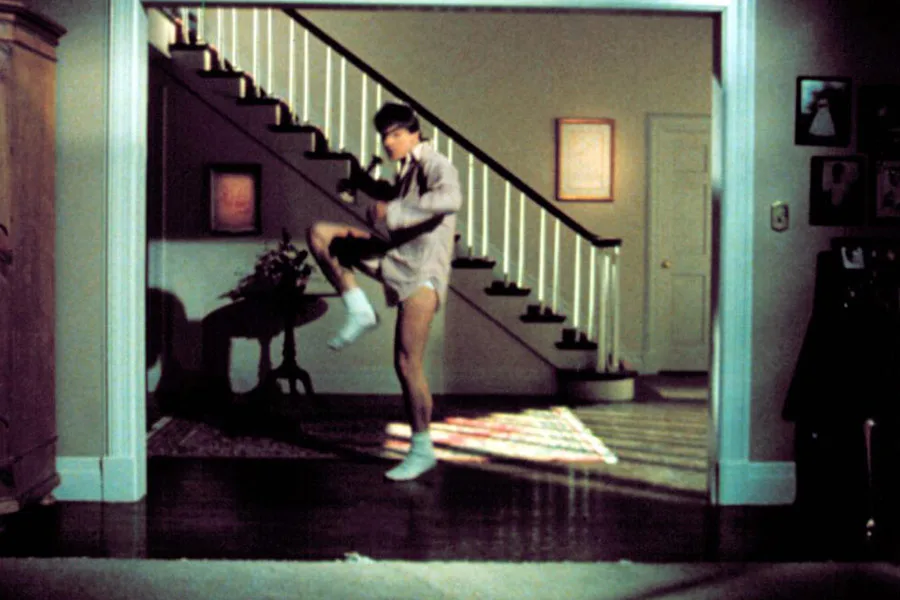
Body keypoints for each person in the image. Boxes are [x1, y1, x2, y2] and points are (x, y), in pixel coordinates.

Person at [306, 102, 462, 481]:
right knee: (321, 235)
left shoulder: (436, 163)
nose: (389, 142)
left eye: (396, 134)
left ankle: (422, 450)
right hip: (396, 258)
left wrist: (390, 210)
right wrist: (364, 185)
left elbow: (450, 199)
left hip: (422, 274)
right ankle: (359, 309)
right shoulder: (406, 168)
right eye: (384, 136)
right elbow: (393, 196)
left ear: (414, 134)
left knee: (407, 364)